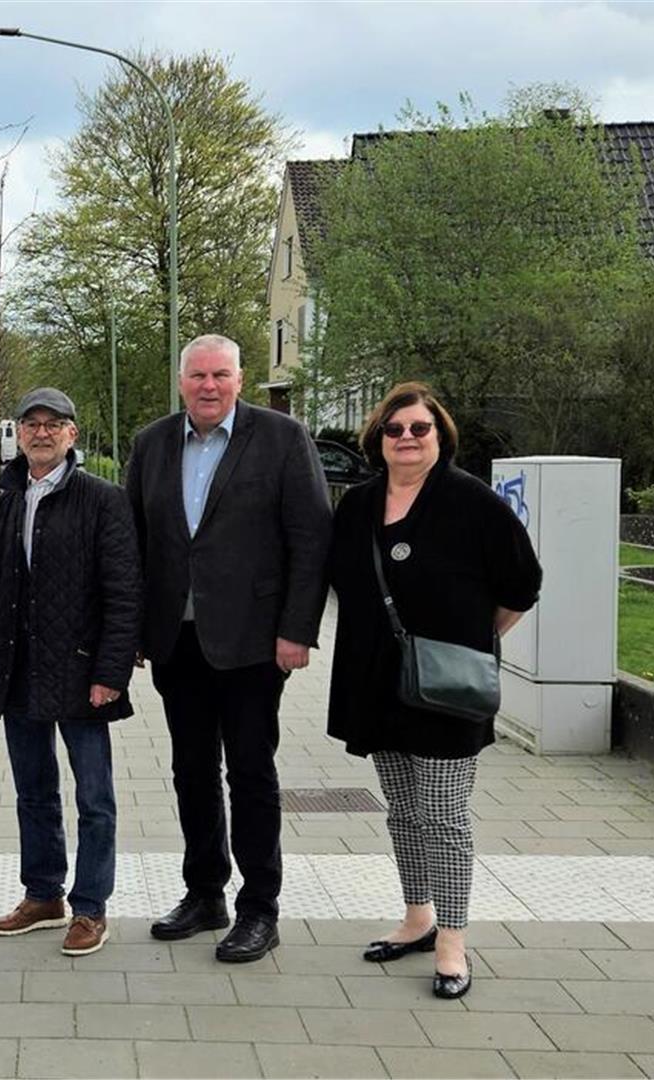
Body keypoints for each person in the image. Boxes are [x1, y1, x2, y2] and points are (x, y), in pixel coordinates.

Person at [325, 382, 540, 1000]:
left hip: (446, 690)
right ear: (378, 439)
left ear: (439, 435)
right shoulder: (360, 504)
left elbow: (522, 583)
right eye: (395, 430)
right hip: (377, 684)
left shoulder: (470, 500)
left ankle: (452, 938)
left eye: (420, 428)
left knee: (444, 816)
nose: (408, 439)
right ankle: (416, 915)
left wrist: (471, 642)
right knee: (404, 811)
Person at [124, 333, 332, 963]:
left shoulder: (280, 439)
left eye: (220, 375)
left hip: (252, 642)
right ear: (180, 380)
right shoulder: (152, 444)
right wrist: (132, 635)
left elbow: (312, 536)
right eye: (197, 376)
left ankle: (260, 907)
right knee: (191, 771)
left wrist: (298, 629)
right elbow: (135, 545)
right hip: (175, 641)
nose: (208, 386)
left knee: (250, 770)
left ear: (239, 380)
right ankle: (204, 892)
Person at [0, 388, 141, 957]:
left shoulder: (102, 500)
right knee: (33, 791)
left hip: (84, 674)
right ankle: (43, 895)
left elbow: (124, 593)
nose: (41, 432)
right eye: (31, 424)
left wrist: (111, 671)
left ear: (72, 435)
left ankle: (91, 907)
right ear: (18, 433)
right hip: (18, 674)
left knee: (94, 796)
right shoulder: (8, 501)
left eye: (53, 424)